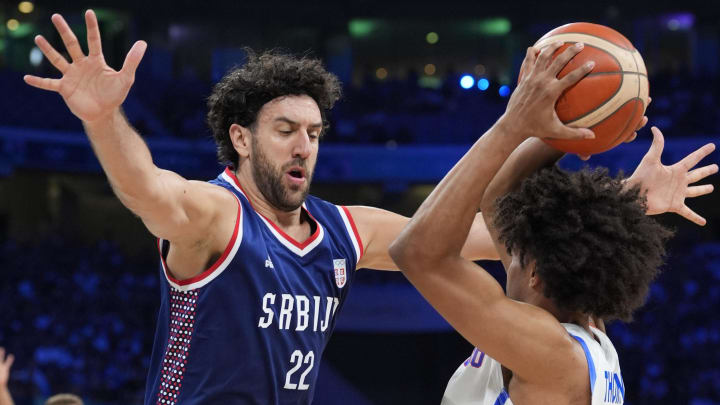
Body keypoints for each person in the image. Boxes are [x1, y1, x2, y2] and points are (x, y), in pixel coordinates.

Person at [23, 12, 715, 404]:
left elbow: (493, 236)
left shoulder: (340, 228)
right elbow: (146, 188)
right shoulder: (214, 214)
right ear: (240, 138)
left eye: (316, 134)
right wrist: (103, 120)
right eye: (286, 130)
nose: (305, 148)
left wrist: (618, 209)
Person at [389, 42, 716, 404]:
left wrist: (512, 124)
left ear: (536, 274)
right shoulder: (586, 330)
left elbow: (417, 251)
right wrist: (578, 127)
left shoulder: (550, 352)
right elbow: (501, 199)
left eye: (515, 254)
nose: (506, 254)